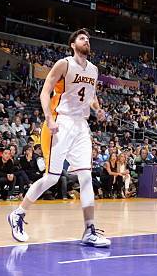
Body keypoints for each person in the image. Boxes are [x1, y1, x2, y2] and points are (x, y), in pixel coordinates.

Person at [8, 29, 110, 247]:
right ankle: (18, 214)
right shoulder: (63, 64)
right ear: (73, 44)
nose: (87, 41)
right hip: (60, 122)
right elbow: (45, 92)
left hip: (81, 125)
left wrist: (98, 109)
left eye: (88, 39)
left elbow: (91, 97)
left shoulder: (93, 69)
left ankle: (89, 229)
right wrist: (49, 118)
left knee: (86, 177)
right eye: (82, 38)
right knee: (52, 177)